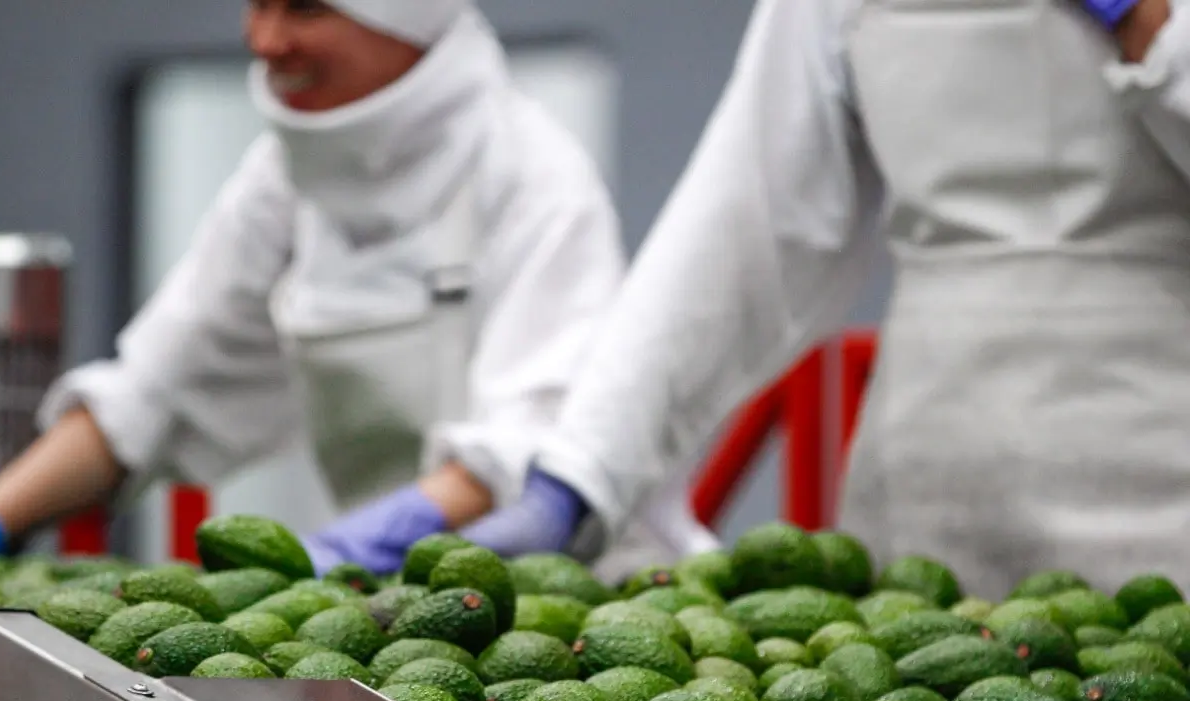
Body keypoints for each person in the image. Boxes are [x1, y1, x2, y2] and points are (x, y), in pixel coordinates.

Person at [0, 0, 717, 578]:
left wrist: (365, 543)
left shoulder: (533, 175)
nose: (264, 39)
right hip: (387, 612)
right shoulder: (282, 180)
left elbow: (530, 444)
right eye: (256, 3)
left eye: (304, 7)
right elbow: (152, 393)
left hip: (574, 604)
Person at [459, 0, 1190, 600]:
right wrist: (582, 472)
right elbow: (747, 219)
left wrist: (1155, 29)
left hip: (1157, 474)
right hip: (929, 475)